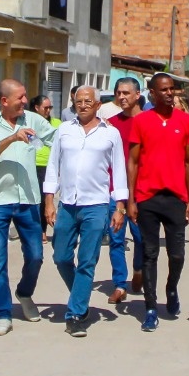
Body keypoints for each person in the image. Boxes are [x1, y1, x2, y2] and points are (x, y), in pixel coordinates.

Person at [0, 79, 57, 335]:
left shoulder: (32, 119)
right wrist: (11, 138)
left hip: (28, 199)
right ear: (4, 101)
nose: (24, 101)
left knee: (35, 255)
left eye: (25, 96)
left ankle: (24, 293)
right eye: (20, 97)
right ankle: (2, 313)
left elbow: (57, 138)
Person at [43, 86, 128, 338]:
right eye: (78, 101)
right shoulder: (64, 130)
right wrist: (49, 201)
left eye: (88, 101)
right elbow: (52, 166)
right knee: (61, 256)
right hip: (67, 203)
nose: (83, 105)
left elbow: (119, 171)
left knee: (87, 261)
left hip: (97, 205)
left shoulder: (110, 134)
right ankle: (79, 295)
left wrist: (120, 206)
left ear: (98, 105)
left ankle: (76, 314)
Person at [126, 72, 189, 331]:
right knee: (149, 253)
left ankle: (171, 288)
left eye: (173, 89)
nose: (170, 93)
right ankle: (150, 307)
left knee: (177, 254)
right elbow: (133, 161)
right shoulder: (141, 122)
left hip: (176, 198)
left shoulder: (186, 122)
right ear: (153, 93)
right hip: (147, 197)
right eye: (165, 90)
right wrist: (131, 199)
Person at [104, 76, 146, 304]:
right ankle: (120, 284)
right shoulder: (110, 124)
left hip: (142, 192)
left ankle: (139, 269)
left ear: (138, 95)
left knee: (141, 238)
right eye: (118, 92)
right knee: (116, 239)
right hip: (115, 191)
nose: (121, 97)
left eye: (126, 93)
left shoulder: (149, 121)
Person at [30, 93, 61, 217]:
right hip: (33, 165)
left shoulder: (57, 123)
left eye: (50, 108)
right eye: (45, 108)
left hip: (48, 166)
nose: (48, 110)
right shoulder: (30, 122)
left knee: (45, 199)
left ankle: (42, 230)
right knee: (33, 199)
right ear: (37, 108)